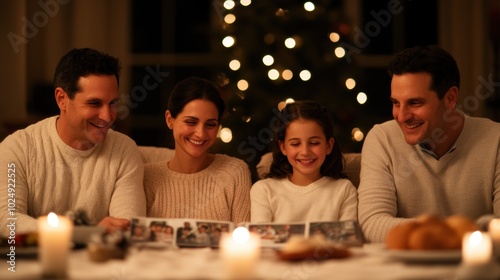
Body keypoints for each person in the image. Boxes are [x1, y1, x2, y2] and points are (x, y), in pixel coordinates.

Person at [357, 45, 500, 243]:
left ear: (450, 98)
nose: (401, 116)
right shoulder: (382, 139)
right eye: (396, 103)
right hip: (403, 271)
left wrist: (429, 233)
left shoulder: (496, 140)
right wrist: (458, 231)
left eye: (415, 103)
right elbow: (372, 224)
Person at [0, 48, 146, 237]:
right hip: (35, 265)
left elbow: (128, 228)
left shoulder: (124, 150)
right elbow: (6, 219)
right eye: (94, 103)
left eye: (112, 103)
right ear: (62, 99)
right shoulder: (17, 148)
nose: (107, 116)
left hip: (100, 263)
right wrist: (82, 233)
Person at [144, 77, 251, 224]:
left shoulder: (235, 172)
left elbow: (244, 242)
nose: (200, 133)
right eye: (190, 122)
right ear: (170, 119)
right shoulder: (147, 177)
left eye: (210, 124)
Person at [250, 100, 358, 223]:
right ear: (283, 147)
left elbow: (348, 239)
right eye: (295, 144)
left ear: (329, 145)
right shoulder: (264, 190)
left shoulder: (343, 190)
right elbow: (261, 239)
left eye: (314, 143)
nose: (305, 151)